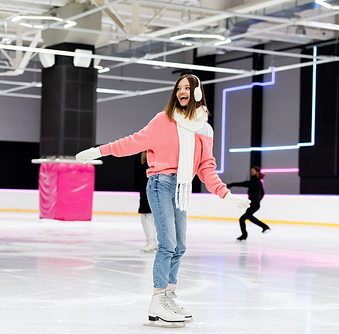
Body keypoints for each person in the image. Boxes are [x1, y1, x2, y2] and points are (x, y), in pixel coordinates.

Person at [75, 74, 250, 328]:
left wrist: (226, 194)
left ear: (198, 93)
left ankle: (168, 296)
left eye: (187, 88)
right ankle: (157, 303)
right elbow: (132, 143)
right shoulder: (163, 121)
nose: (182, 92)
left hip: (182, 188)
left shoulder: (204, 129)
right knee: (167, 244)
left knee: (179, 247)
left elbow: (206, 167)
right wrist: (99, 151)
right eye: (179, 88)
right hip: (160, 184)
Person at [227, 166, 270, 241]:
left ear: (257, 172)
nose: (251, 173)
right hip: (253, 204)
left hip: (254, 204)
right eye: (251, 171)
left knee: (242, 219)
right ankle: (264, 227)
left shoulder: (255, 182)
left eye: (253, 171)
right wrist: (257, 200)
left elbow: (244, 184)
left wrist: (232, 184)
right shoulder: (257, 182)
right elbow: (263, 193)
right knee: (248, 217)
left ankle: (245, 234)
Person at [138, 151, 158, 253]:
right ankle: (154, 242)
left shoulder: (147, 168)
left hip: (147, 198)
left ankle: (151, 242)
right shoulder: (153, 168)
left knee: (146, 218)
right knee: (152, 220)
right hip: (151, 197)